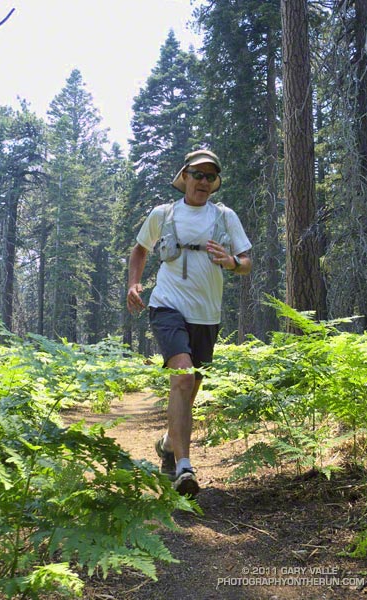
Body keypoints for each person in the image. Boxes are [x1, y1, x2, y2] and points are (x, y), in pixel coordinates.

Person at [127, 149, 252, 496]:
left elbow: (246, 263)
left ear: (215, 184)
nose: (203, 181)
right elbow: (140, 250)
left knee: (189, 389)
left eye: (210, 177)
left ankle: (169, 443)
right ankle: (184, 468)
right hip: (167, 305)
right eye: (198, 174)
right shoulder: (164, 214)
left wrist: (230, 261)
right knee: (181, 377)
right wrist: (134, 284)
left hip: (206, 315)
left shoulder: (225, 217)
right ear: (185, 176)